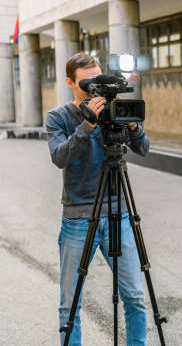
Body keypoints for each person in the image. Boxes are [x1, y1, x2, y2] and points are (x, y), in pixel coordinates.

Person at [46, 52, 150, 346]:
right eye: (86, 83)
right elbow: (59, 157)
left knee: (134, 297)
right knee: (71, 303)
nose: (95, 89)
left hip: (119, 215)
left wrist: (131, 124)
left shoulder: (114, 111)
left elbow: (143, 147)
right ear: (70, 82)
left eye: (98, 80)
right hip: (78, 218)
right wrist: (88, 124)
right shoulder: (58, 117)